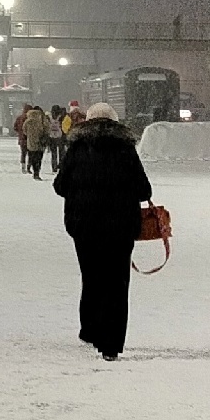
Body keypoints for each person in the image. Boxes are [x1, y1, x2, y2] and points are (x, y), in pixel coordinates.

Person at [53, 101, 152, 360]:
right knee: (117, 283)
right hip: (120, 227)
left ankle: (90, 330)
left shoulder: (76, 148)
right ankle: (111, 345)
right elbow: (144, 190)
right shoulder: (125, 148)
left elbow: (60, 186)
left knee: (92, 277)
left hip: (84, 225)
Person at [18, 102, 48, 178]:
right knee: (39, 157)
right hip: (40, 141)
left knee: (32, 156)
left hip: (30, 141)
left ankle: (33, 169)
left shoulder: (28, 121)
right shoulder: (42, 119)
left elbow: (24, 130)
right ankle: (37, 172)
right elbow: (47, 129)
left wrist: (30, 135)